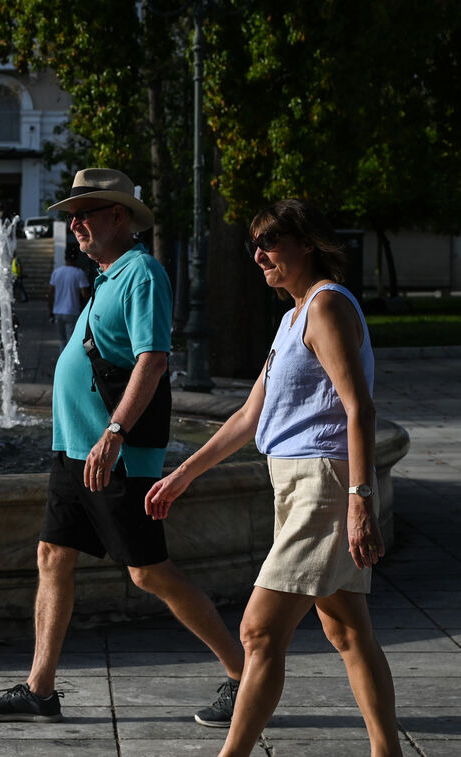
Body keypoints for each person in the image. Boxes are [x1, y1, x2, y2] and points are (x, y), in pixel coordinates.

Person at [0, 168, 244, 725]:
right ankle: (40, 689)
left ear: (118, 216)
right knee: (53, 556)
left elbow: (153, 359)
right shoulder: (105, 275)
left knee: (148, 571)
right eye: (71, 215)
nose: (75, 225)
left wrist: (114, 434)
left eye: (86, 213)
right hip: (75, 450)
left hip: (116, 454)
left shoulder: (141, 272)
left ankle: (245, 675)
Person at [144, 199, 400, 756]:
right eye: (253, 245)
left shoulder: (327, 306)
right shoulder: (292, 317)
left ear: (306, 243)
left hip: (325, 484)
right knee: (347, 632)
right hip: (298, 482)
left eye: (270, 242)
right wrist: (183, 473)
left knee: (258, 632)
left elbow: (360, 409)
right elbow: (247, 416)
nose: (259, 254)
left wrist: (359, 499)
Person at [48, 248, 91, 345]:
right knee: (70, 341)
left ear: (65, 259)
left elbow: (50, 293)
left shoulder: (56, 272)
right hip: (72, 311)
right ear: (76, 260)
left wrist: (50, 310)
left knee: (62, 340)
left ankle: (61, 359)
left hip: (58, 311)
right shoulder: (79, 273)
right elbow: (84, 293)